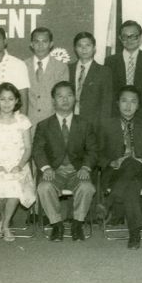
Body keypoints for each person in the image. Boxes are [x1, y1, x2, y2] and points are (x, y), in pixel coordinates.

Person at [34, 81, 97, 242]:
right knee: (44, 187)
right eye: (60, 96)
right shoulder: (44, 125)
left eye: (69, 95)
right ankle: (57, 225)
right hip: (55, 172)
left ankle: (77, 224)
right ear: (53, 101)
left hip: (78, 171)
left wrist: (85, 167)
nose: (65, 99)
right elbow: (38, 150)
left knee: (87, 187)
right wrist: (46, 168)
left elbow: (92, 150)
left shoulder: (85, 124)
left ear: (75, 99)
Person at [97, 85, 142, 249]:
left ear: (138, 105)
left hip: (141, 171)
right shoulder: (106, 125)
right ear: (117, 103)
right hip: (114, 172)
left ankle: (108, 203)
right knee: (131, 185)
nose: (128, 106)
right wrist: (111, 162)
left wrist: (140, 159)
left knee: (130, 162)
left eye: (133, 101)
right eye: (124, 101)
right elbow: (97, 153)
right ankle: (134, 234)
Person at [0, 82, 36, 242]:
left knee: (15, 185)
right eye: (2, 99)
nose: (6, 103)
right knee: (0, 185)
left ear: (17, 100)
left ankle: (4, 224)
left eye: (11, 99)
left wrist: (20, 165)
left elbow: (28, 148)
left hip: (18, 165)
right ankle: (5, 223)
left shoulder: (23, 121)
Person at [104, 20, 142, 124]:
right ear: (120, 38)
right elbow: (108, 94)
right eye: (125, 36)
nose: (129, 40)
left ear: (140, 38)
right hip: (117, 118)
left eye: (133, 36)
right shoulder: (110, 61)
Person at [24, 27, 68, 132]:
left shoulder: (61, 68)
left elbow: (62, 100)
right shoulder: (23, 66)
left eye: (44, 41)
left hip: (52, 125)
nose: (40, 45)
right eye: (36, 41)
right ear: (31, 44)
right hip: (28, 125)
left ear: (51, 44)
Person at [69, 32, 112, 129]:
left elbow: (106, 104)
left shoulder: (104, 72)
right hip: (70, 122)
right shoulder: (68, 69)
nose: (84, 49)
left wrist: (102, 128)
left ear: (94, 48)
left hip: (93, 124)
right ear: (75, 49)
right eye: (80, 45)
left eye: (88, 45)